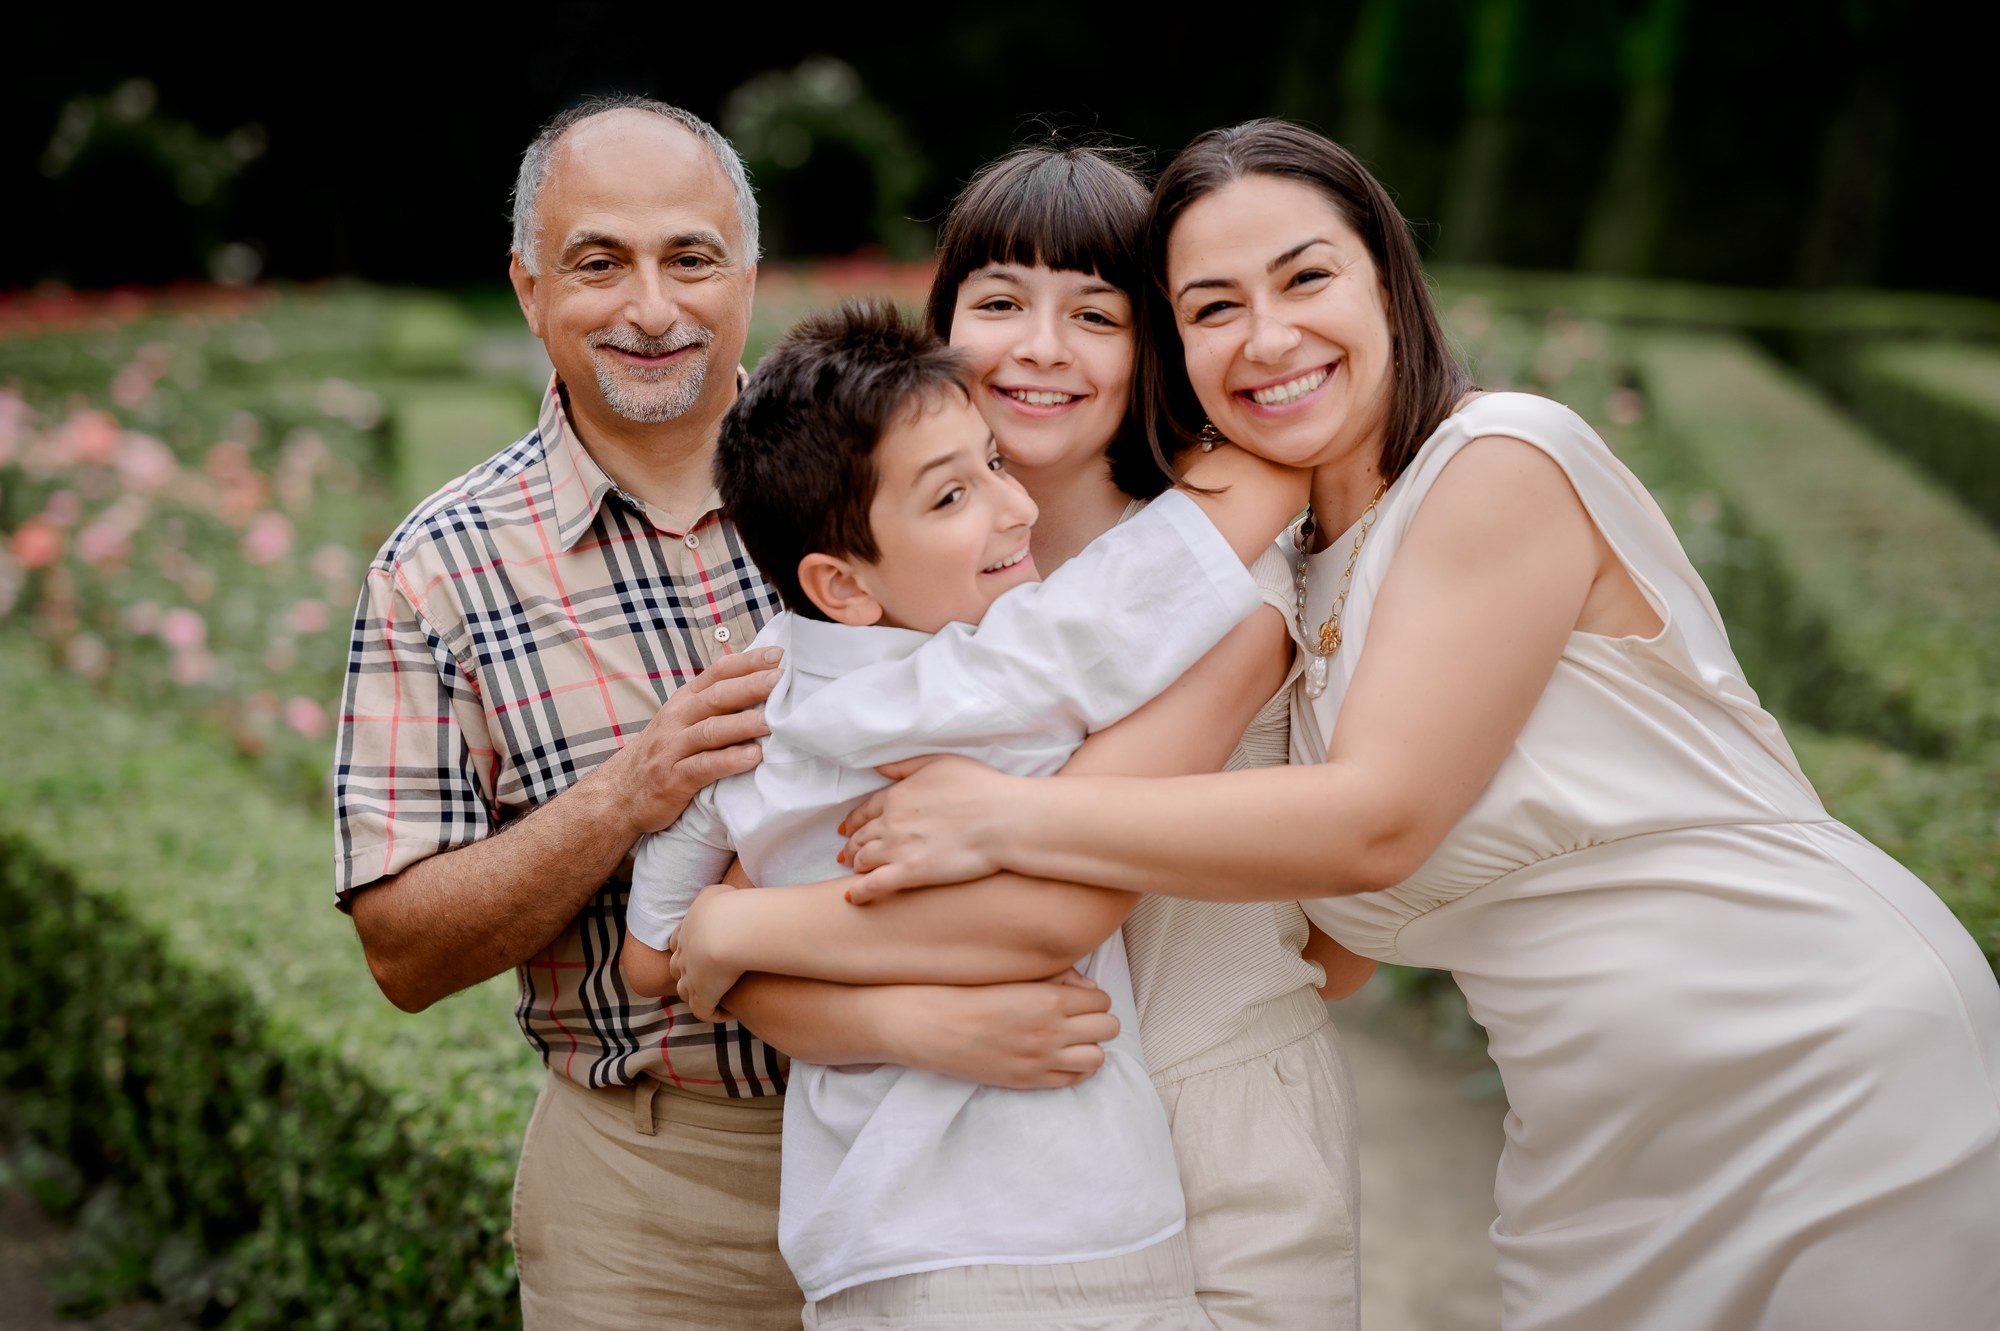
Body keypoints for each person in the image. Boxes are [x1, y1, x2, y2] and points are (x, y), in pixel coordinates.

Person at [830, 120, 2000, 1331]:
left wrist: (1002, 811)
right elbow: (1325, 939)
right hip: (1590, 1128)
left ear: (1386, 277)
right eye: (1212, 306)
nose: (1268, 336)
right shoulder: (1301, 568)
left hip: (1811, 1050)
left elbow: (1374, 823)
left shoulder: (1498, 459)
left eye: (1305, 277)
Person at [334, 96, 1099, 1331]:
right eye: (599, 263)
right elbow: (402, 950)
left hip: (968, 1141)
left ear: (749, 274)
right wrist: (628, 797)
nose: (651, 306)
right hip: (659, 1193)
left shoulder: (914, 468)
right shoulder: (438, 573)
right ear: (529, 289)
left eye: (690, 257)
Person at [665, 144, 1365, 1329]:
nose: (1040, 347)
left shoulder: (1216, 597)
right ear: (940, 336)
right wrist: (900, 1015)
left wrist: (726, 923)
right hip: (1001, 1160)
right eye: (997, 303)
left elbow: (1044, 910)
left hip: (1222, 1131)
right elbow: (734, 973)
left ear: (1150, 344)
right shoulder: (899, 610)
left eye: (1095, 312)